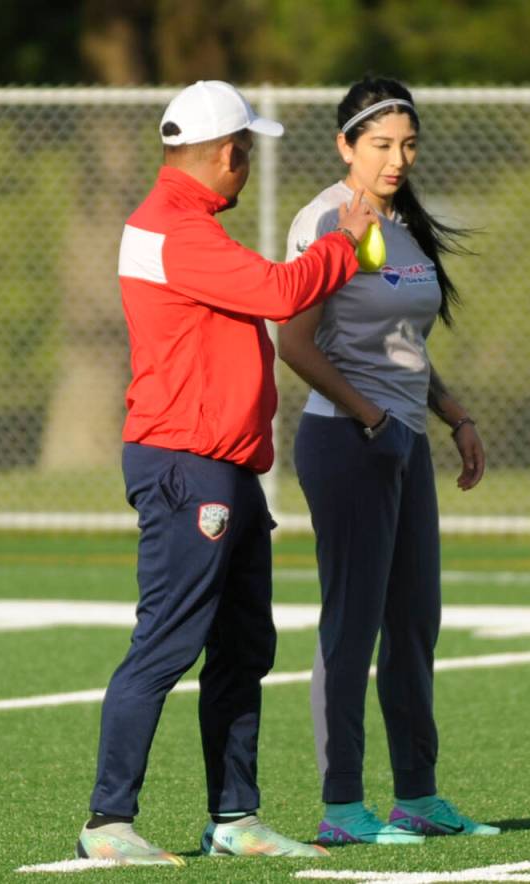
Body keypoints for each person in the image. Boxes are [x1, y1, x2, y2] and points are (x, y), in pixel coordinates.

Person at [76, 80, 377, 866]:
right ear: (227, 153)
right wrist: (341, 241)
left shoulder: (187, 224)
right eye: (245, 154)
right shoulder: (175, 229)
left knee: (244, 645)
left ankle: (233, 818)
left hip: (226, 465)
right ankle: (109, 822)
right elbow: (282, 294)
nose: (246, 168)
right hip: (187, 465)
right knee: (167, 644)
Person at [279, 76, 499, 846]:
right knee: (354, 624)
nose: (397, 159)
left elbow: (407, 346)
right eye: (380, 145)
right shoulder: (325, 222)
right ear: (346, 146)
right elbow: (295, 344)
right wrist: (371, 416)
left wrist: (454, 414)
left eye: (407, 144)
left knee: (415, 623)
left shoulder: (401, 226)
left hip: (401, 440)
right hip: (348, 441)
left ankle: (418, 795)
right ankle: (342, 808)